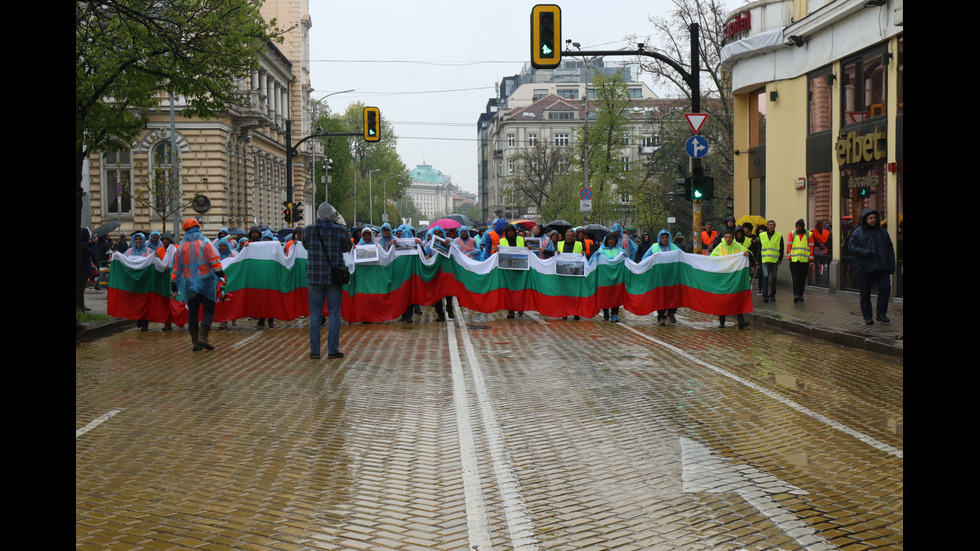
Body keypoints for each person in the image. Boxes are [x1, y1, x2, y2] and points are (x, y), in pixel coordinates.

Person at [302, 202, 351, 359]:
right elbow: (347, 247)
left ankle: (315, 351)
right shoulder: (339, 230)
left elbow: (305, 246)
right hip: (333, 278)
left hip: (315, 278)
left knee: (315, 315)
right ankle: (332, 350)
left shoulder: (308, 230)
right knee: (334, 314)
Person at [172, 218, 226, 351]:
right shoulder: (205, 243)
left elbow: (176, 270)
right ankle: (204, 337)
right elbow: (214, 261)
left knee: (193, 313)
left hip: (189, 285)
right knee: (209, 310)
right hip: (207, 282)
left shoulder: (180, 248)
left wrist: (173, 286)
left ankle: (195, 343)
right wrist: (221, 275)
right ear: (198, 228)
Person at [847, 208, 895, 325]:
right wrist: (864, 251)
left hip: (881, 267)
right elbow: (851, 246)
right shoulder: (858, 232)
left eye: (875, 218)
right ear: (865, 219)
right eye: (870, 218)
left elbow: (890, 249)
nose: (873, 220)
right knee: (865, 293)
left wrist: (891, 266)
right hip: (865, 268)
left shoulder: (882, 232)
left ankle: (881, 314)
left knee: (885, 289)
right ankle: (868, 316)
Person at [711, 229, 751, 329]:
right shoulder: (720, 246)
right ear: (724, 238)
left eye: (730, 237)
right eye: (726, 237)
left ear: (733, 238)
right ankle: (722, 321)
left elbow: (747, 251)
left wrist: (746, 253)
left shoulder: (737, 246)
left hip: (735, 277)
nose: (728, 239)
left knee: (737, 298)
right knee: (723, 299)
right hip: (724, 277)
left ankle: (741, 321)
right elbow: (712, 258)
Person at [643, 230, 680, 325]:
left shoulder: (673, 247)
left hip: (671, 277)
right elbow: (645, 258)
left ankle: (671, 312)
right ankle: (661, 317)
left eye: (666, 237)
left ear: (669, 238)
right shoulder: (654, 247)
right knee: (660, 297)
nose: (664, 239)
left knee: (673, 296)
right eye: (662, 237)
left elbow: (683, 255)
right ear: (659, 238)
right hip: (659, 278)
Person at [498, 224, 527, 319]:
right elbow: (498, 255)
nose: (510, 232)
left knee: (520, 289)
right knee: (509, 291)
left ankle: (520, 307)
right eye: (508, 231)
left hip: (520, 269)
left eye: (512, 230)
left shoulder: (521, 240)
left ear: (515, 231)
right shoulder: (501, 241)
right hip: (508, 270)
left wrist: (529, 249)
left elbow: (527, 251)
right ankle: (511, 311)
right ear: (506, 232)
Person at [595, 232, 625, 322]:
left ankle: (614, 314)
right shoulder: (601, 251)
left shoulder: (620, 251)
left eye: (613, 239)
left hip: (617, 278)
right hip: (604, 278)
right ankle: (606, 311)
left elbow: (626, 260)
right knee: (605, 294)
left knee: (616, 294)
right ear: (606, 241)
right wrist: (595, 256)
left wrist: (626, 257)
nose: (611, 241)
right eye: (609, 239)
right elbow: (593, 261)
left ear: (615, 241)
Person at [787, 219, 814, 303]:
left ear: (803, 227)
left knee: (802, 279)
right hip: (794, 260)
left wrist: (811, 260)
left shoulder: (809, 235)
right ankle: (796, 294)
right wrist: (789, 257)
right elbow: (789, 246)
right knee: (795, 278)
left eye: (799, 227)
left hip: (804, 260)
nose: (798, 228)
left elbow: (811, 247)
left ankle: (801, 294)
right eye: (797, 227)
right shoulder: (792, 234)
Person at [758, 220, 783, 302]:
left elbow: (781, 248)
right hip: (765, 260)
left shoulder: (779, 235)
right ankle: (765, 295)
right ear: (767, 226)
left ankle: (772, 295)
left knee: (774, 278)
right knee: (765, 277)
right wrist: (758, 260)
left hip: (775, 260)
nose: (772, 226)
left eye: (773, 225)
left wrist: (780, 259)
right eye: (770, 225)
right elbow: (759, 248)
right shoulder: (762, 235)